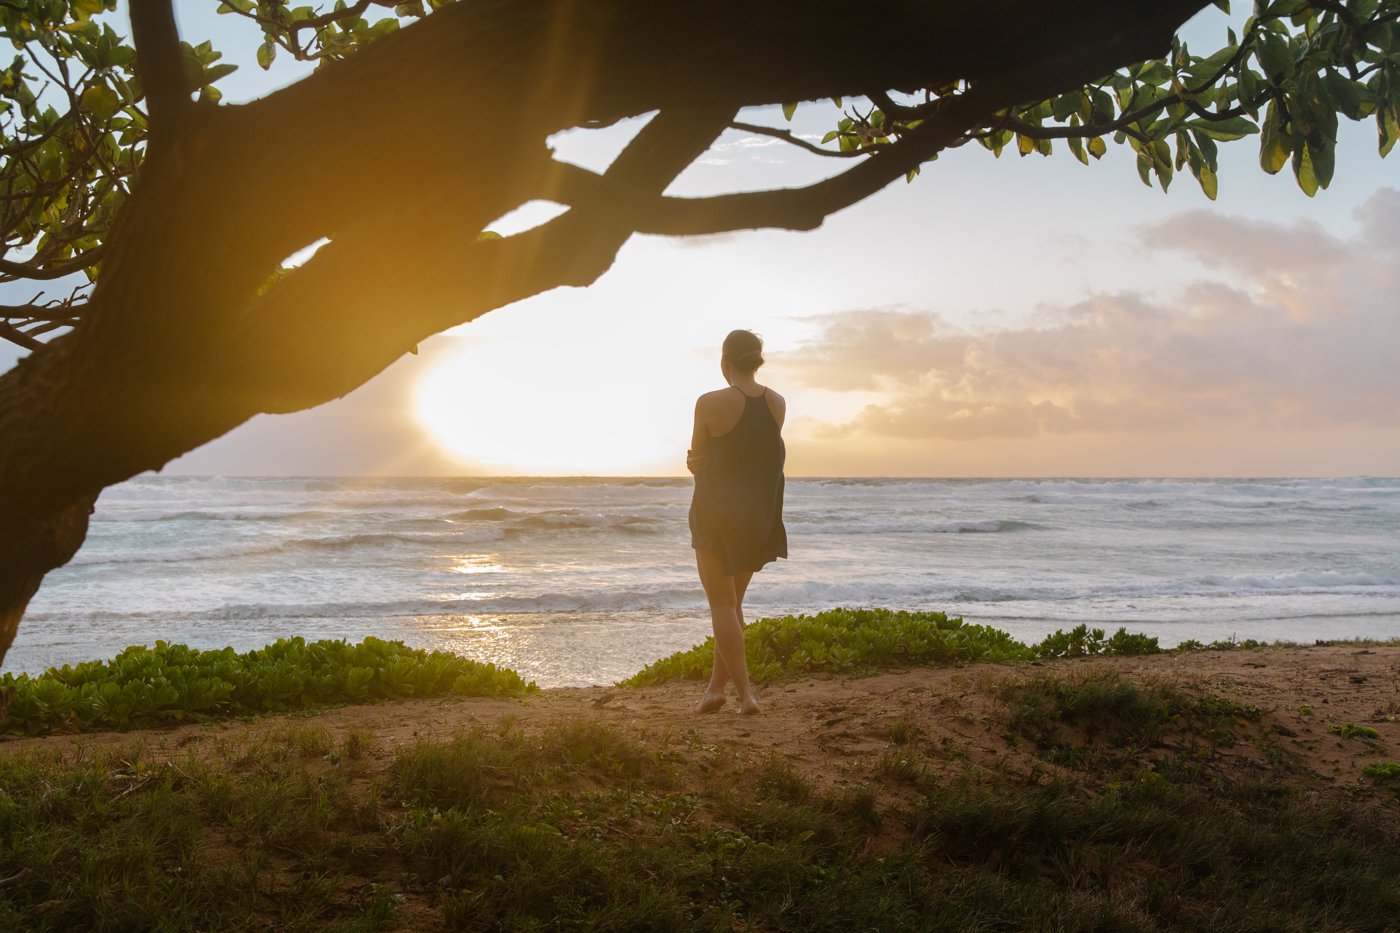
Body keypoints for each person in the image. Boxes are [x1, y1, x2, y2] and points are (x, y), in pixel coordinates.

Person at [686, 329, 787, 715]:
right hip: (756, 515)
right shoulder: (777, 403)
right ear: (756, 361)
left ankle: (747, 696)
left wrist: (696, 464)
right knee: (732, 604)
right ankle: (715, 689)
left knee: (721, 605)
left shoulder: (709, 403)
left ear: (725, 363)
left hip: (715, 514)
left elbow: (698, 459)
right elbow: (757, 456)